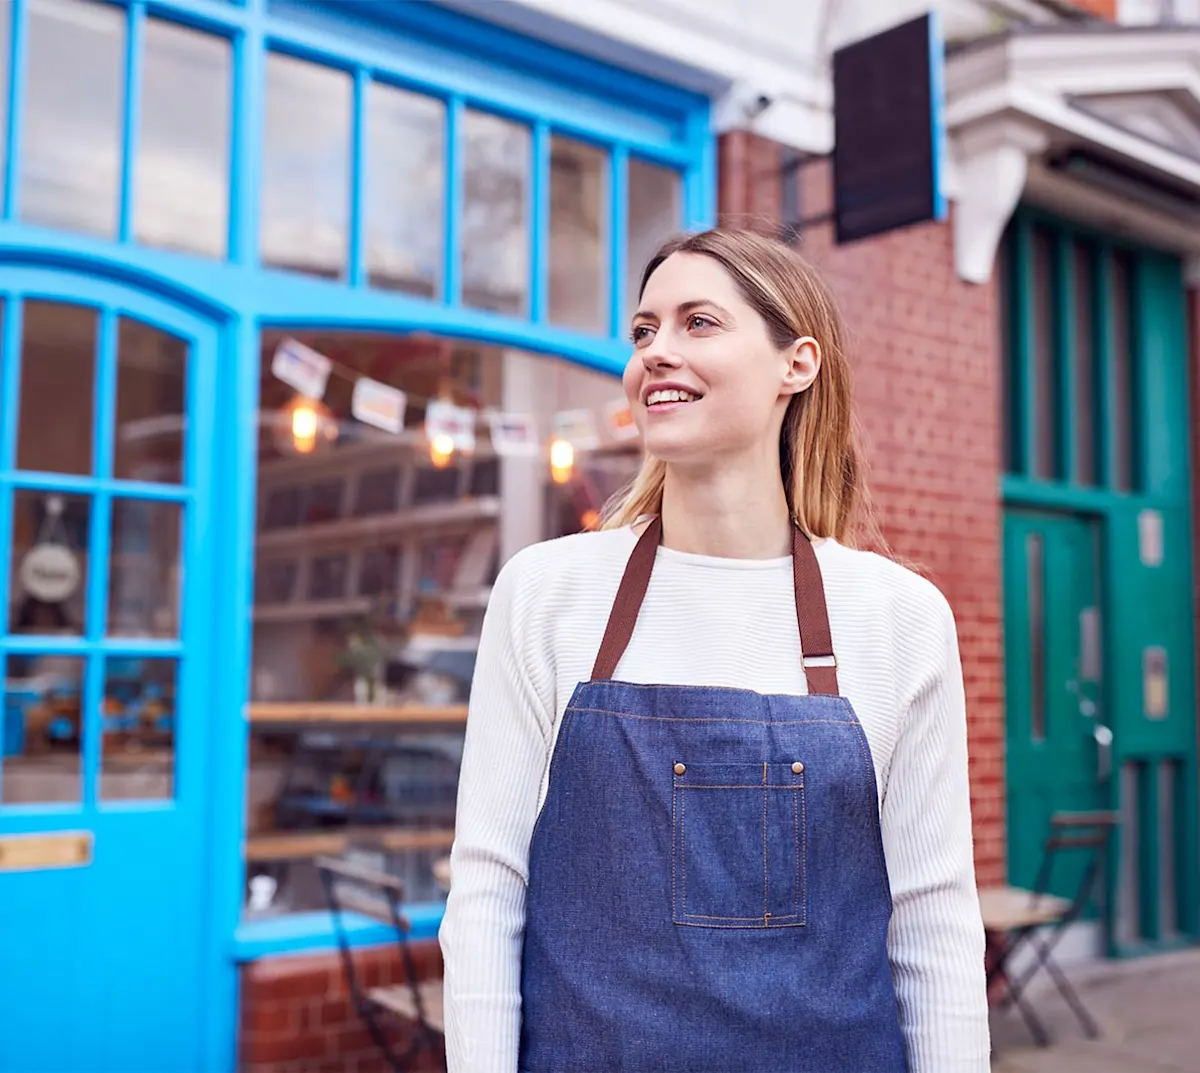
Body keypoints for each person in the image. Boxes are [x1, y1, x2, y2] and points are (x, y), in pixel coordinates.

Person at [439, 227, 990, 1071]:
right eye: (643, 330)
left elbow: (934, 923)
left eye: (698, 322)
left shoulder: (900, 615)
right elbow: (486, 890)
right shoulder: (546, 591)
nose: (657, 351)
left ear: (795, 366)